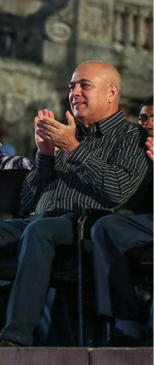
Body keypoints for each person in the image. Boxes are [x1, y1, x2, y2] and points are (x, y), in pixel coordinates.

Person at [0, 61, 150, 348]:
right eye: (72, 86)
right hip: (40, 221)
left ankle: (15, 338)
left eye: (84, 85)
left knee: (41, 231)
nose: (74, 92)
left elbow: (118, 191)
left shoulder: (134, 137)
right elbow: (28, 201)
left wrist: (73, 148)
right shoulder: (64, 133)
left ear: (111, 93)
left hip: (89, 226)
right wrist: (46, 155)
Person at [90, 98, 153, 346]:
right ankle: (124, 322)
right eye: (143, 117)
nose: (147, 123)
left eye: (153, 117)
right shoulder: (135, 148)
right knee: (107, 226)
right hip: (145, 223)